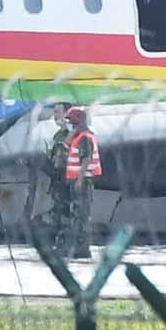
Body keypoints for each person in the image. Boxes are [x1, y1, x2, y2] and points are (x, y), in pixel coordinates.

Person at [64, 106, 101, 260]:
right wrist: (74, 130)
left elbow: (86, 159)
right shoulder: (78, 136)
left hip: (83, 182)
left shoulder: (85, 137)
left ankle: (82, 249)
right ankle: (78, 247)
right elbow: (66, 142)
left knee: (82, 215)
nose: (70, 125)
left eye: (72, 122)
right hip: (78, 181)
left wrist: (79, 179)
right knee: (76, 215)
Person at [46, 101, 73, 240]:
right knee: (58, 208)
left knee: (70, 209)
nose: (54, 115)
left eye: (57, 111)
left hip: (70, 178)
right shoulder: (57, 135)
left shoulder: (74, 133)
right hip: (57, 177)